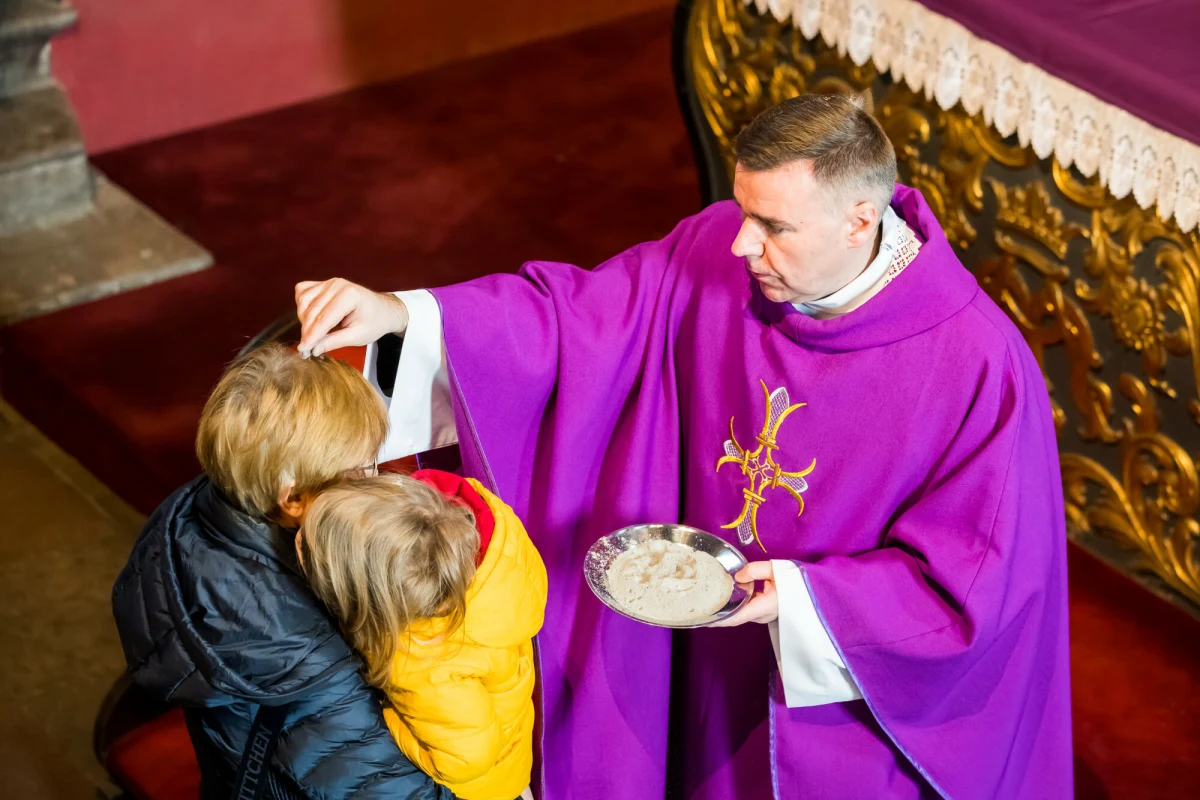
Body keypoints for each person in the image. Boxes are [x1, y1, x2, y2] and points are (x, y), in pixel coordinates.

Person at [295, 92, 1073, 799]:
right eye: (742, 211)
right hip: (692, 658)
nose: (742, 245)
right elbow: (577, 319)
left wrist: (802, 600)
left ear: (859, 221)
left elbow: (980, 585)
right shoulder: (715, 252)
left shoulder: (977, 366)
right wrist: (405, 316)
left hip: (828, 690)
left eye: (773, 227)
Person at [111, 344, 455, 800]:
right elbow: (390, 787)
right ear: (292, 499)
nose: (375, 480)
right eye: (360, 470)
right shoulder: (307, 659)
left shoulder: (203, 508)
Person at [298, 470, 546, 800]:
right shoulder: (489, 576)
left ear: (372, 601)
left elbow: (467, 758)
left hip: (478, 788)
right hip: (508, 755)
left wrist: (387, 720)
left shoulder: (420, 662)